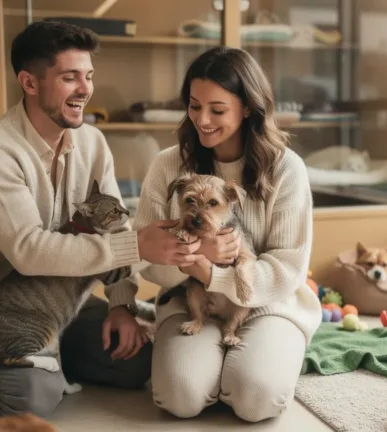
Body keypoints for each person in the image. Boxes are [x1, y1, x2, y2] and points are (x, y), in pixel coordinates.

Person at [0, 21, 202, 418]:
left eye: (88, 76)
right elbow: (30, 253)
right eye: (70, 78)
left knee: (137, 361)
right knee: (32, 399)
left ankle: (49, 352)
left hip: (58, 304)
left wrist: (121, 305)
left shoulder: (92, 142)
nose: (85, 89)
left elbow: (114, 226)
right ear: (29, 83)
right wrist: (136, 246)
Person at [133, 46, 322, 422]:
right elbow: (147, 257)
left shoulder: (287, 169)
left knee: (256, 399)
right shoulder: (168, 164)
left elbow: (287, 267)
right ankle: (216, 369)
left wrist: (212, 272)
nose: (202, 119)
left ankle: (254, 363)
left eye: (217, 110)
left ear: (248, 107)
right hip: (192, 301)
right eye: (193, 105)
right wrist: (201, 259)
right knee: (180, 396)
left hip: (269, 301)